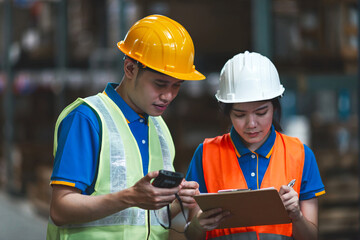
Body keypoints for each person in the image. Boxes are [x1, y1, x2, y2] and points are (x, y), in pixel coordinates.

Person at [46, 14, 204, 240]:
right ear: (130, 69)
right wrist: (130, 197)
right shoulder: (87, 119)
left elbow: (147, 219)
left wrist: (177, 200)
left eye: (176, 86)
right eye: (159, 84)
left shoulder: (159, 128)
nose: (168, 96)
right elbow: (60, 209)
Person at [184, 51, 325, 240]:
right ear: (227, 112)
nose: (251, 124)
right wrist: (198, 224)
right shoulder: (206, 155)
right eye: (240, 115)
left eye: (261, 112)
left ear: (275, 107)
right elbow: (192, 236)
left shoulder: (300, 155)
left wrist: (296, 216)